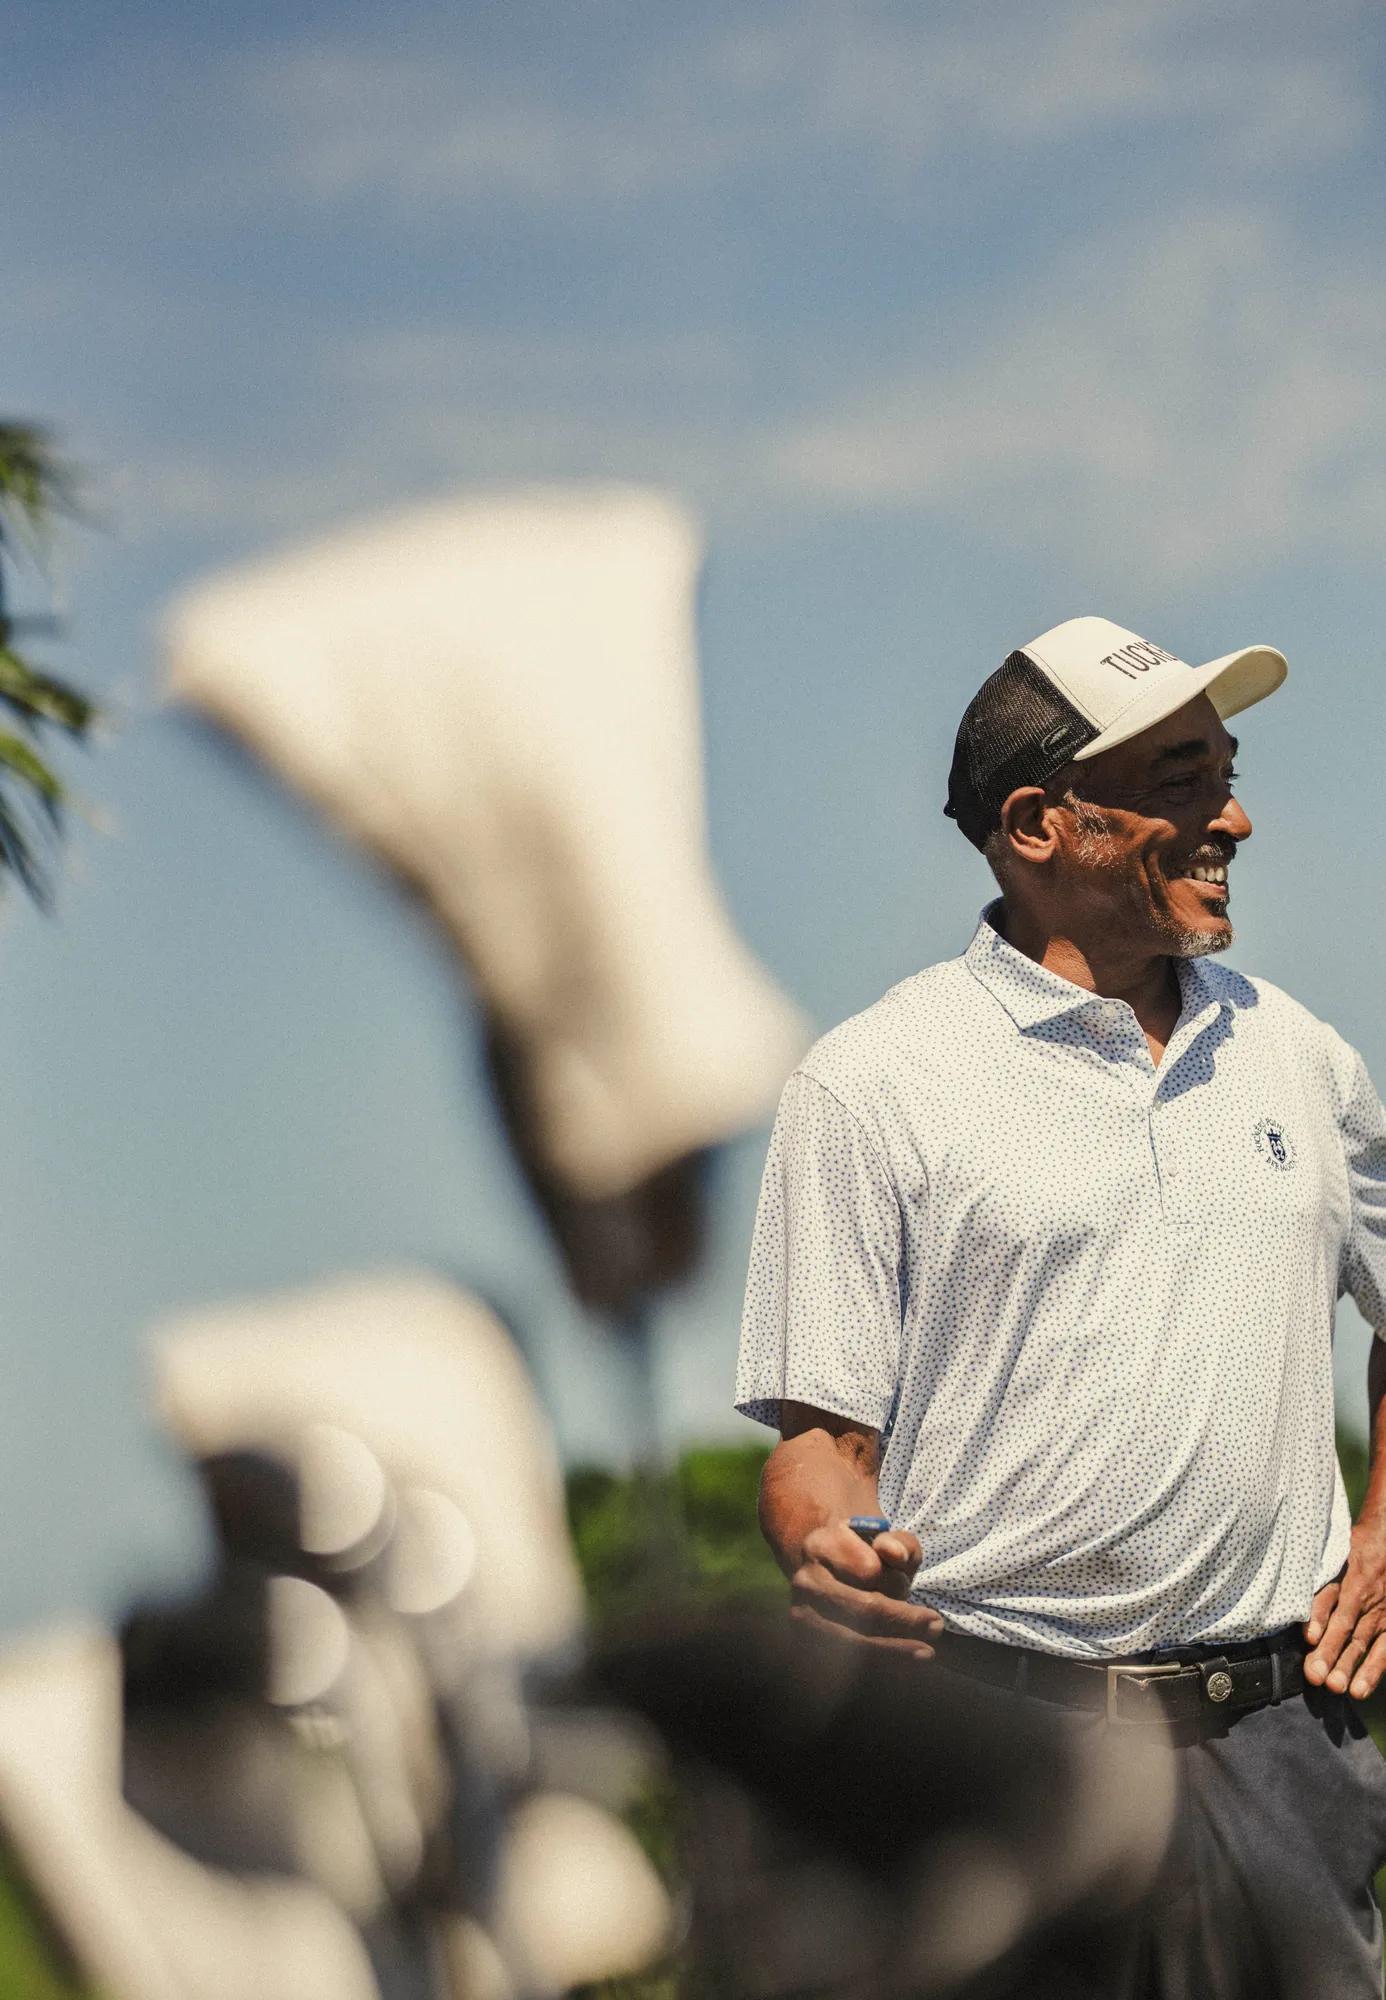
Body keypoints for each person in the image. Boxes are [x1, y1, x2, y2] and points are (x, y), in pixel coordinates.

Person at [735, 616, 1386, 1996]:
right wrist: (824, 1549)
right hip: (996, 1758)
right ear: (1039, 824)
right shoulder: (872, 1084)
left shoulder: (1302, 1060)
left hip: (1285, 1745)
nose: (1237, 817)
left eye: (1226, 769)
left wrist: (1384, 1528)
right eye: (1182, 781)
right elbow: (817, 1443)